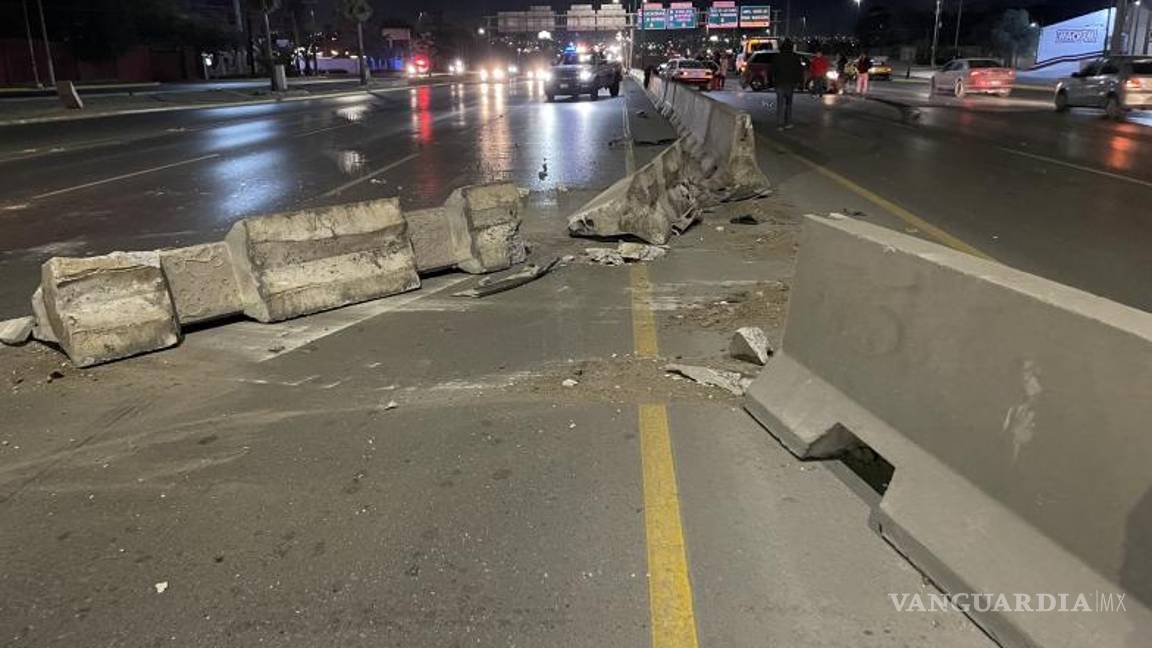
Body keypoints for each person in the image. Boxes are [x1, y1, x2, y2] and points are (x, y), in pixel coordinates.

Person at [771, 39, 804, 130]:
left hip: (779, 83)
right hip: (790, 83)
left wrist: (772, 81)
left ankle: (779, 124)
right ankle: (788, 122)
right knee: (788, 104)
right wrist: (800, 82)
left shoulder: (778, 57)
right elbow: (799, 71)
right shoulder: (795, 57)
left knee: (780, 104)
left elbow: (772, 70)